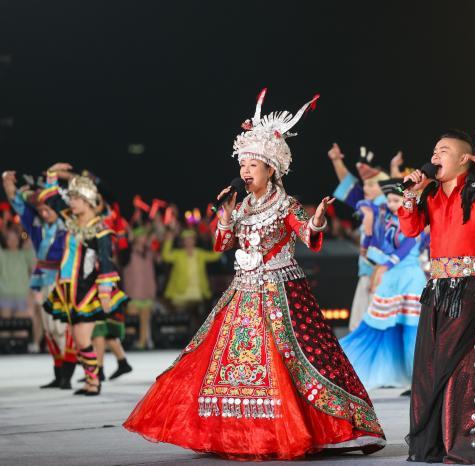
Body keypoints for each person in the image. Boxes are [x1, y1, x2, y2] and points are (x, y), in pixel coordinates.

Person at [124, 89, 385, 460]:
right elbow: (222, 243)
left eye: (253, 165)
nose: (245, 171)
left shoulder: (286, 204)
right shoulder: (241, 203)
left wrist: (318, 219)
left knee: (297, 359)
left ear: (271, 170)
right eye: (243, 164)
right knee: (220, 359)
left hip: (282, 292)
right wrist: (226, 215)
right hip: (244, 292)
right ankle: (235, 433)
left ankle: (307, 429)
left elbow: (307, 234)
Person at [399, 130, 475, 464]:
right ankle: (430, 445)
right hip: (438, 288)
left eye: (443, 151)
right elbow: (410, 229)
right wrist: (411, 195)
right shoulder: (429, 194)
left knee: (456, 366)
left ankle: (465, 446)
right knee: (428, 367)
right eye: (433, 151)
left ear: (463, 159)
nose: (434, 156)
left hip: (472, 287)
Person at [40, 168, 129, 395]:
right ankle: (92, 381)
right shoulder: (71, 220)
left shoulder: (100, 230)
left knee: (82, 339)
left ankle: (93, 381)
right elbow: (49, 198)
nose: (72, 202)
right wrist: (52, 175)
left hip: (87, 291)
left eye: (76, 198)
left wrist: (106, 293)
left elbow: (107, 265)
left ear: (88, 201)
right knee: (79, 341)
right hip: (67, 287)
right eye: (71, 198)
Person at [340, 178, 427, 391]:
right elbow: (376, 249)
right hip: (391, 278)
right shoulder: (387, 220)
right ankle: (350, 367)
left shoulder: (413, 221)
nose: (391, 204)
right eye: (389, 200)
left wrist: (384, 266)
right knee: (376, 326)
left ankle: (416, 380)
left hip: (409, 279)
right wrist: (369, 226)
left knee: (410, 331)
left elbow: (405, 248)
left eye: (396, 200)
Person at [2, 169, 76, 388]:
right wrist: (8, 185)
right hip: (42, 280)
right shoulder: (36, 225)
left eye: (47, 209)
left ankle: (67, 376)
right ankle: (58, 373)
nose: (44, 213)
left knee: (60, 327)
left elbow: (57, 199)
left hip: (61, 280)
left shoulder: (67, 225)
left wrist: (53, 174)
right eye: (41, 210)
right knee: (47, 328)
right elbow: (18, 204)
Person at [329, 143, 389, 330]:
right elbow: (350, 186)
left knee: (373, 329)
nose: (365, 188)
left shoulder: (387, 209)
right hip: (367, 274)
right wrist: (337, 160)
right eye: (366, 184)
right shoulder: (368, 207)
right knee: (359, 327)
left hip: (381, 276)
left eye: (371, 184)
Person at [161, 228, 221, 332]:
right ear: (183, 241)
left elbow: (215, 256)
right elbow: (165, 256)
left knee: (199, 317)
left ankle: (195, 337)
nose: (189, 241)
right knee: (182, 317)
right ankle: (182, 336)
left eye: (191, 239)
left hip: (198, 293)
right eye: (186, 239)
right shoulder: (178, 254)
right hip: (180, 293)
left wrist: (214, 238)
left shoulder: (200, 253)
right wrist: (168, 240)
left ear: (194, 241)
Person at [121, 226, 158, 350]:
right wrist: (128, 241)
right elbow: (122, 256)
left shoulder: (148, 253)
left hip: (147, 292)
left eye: (144, 236)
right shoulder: (128, 252)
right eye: (141, 236)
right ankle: (129, 344)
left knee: (144, 321)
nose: (143, 238)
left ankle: (142, 344)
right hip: (133, 293)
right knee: (131, 322)